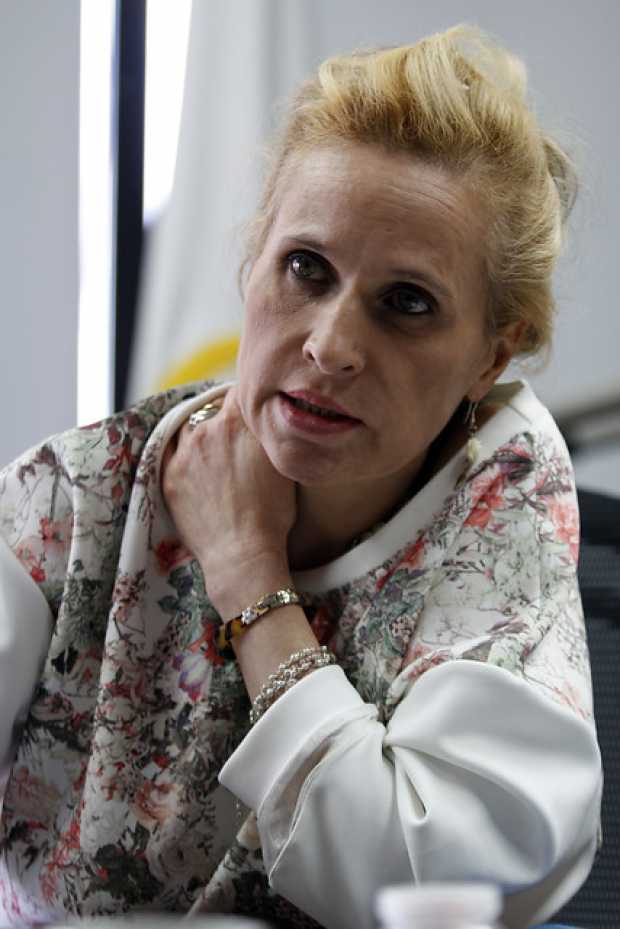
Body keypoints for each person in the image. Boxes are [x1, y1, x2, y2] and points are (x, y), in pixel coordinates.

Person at [0, 24, 602, 929]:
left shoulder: (498, 520)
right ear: (253, 267)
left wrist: (251, 576)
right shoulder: (76, 499)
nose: (330, 345)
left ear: (490, 357)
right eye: (305, 269)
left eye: (407, 303)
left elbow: (427, 892)